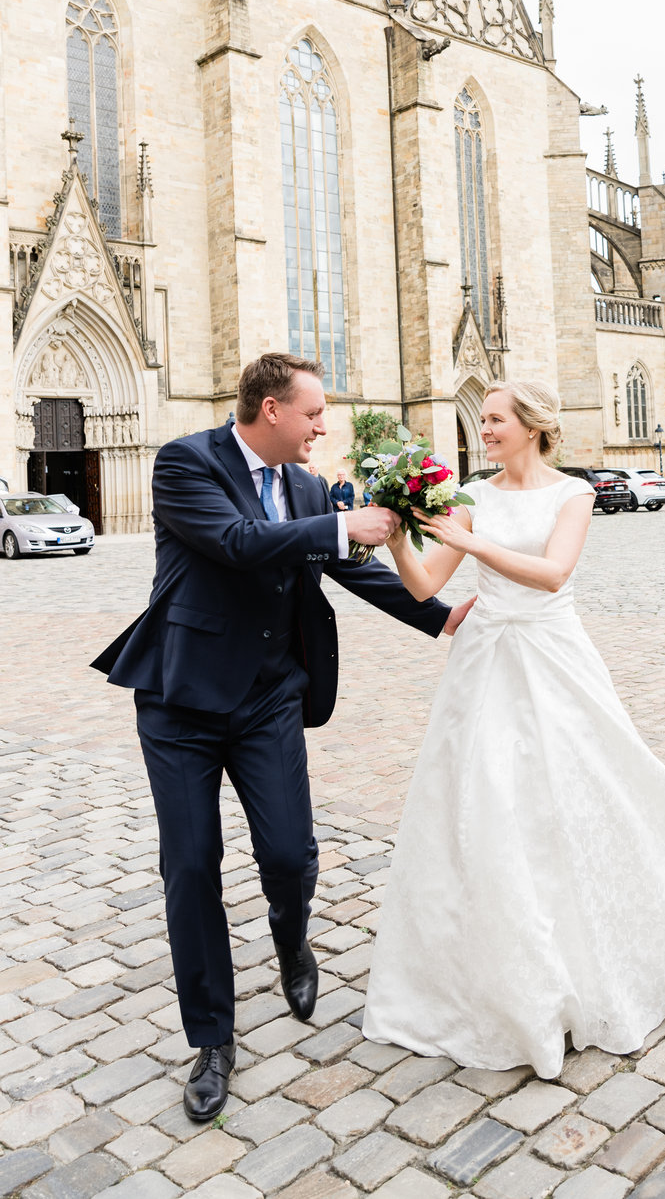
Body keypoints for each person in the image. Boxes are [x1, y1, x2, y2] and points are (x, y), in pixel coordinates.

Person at [92, 354, 473, 1121]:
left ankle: (292, 939)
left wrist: (440, 617)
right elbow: (235, 541)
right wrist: (339, 523)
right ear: (271, 411)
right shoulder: (183, 463)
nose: (323, 426)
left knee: (291, 855)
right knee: (192, 866)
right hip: (182, 702)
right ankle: (212, 1039)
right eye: (313, 413)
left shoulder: (302, 485)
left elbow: (347, 568)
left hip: (268, 697)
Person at [362, 380, 665, 1078]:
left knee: (603, 781)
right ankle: (486, 965)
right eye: (484, 420)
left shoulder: (572, 494)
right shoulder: (470, 493)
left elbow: (553, 573)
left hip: (552, 654)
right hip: (484, 659)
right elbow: (425, 588)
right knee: (483, 803)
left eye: (496, 420)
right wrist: (400, 536)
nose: (486, 429)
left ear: (531, 426)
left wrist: (471, 540)